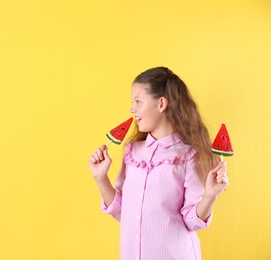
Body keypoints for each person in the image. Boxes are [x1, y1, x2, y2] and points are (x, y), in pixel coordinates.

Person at [89, 67, 229, 260]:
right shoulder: (132, 153)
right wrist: (100, 178)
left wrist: (210, 195)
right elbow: (123, 213)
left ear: (161, 103)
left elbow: (192, 222)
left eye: (138, 101)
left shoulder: (189, 156)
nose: (132, 109)